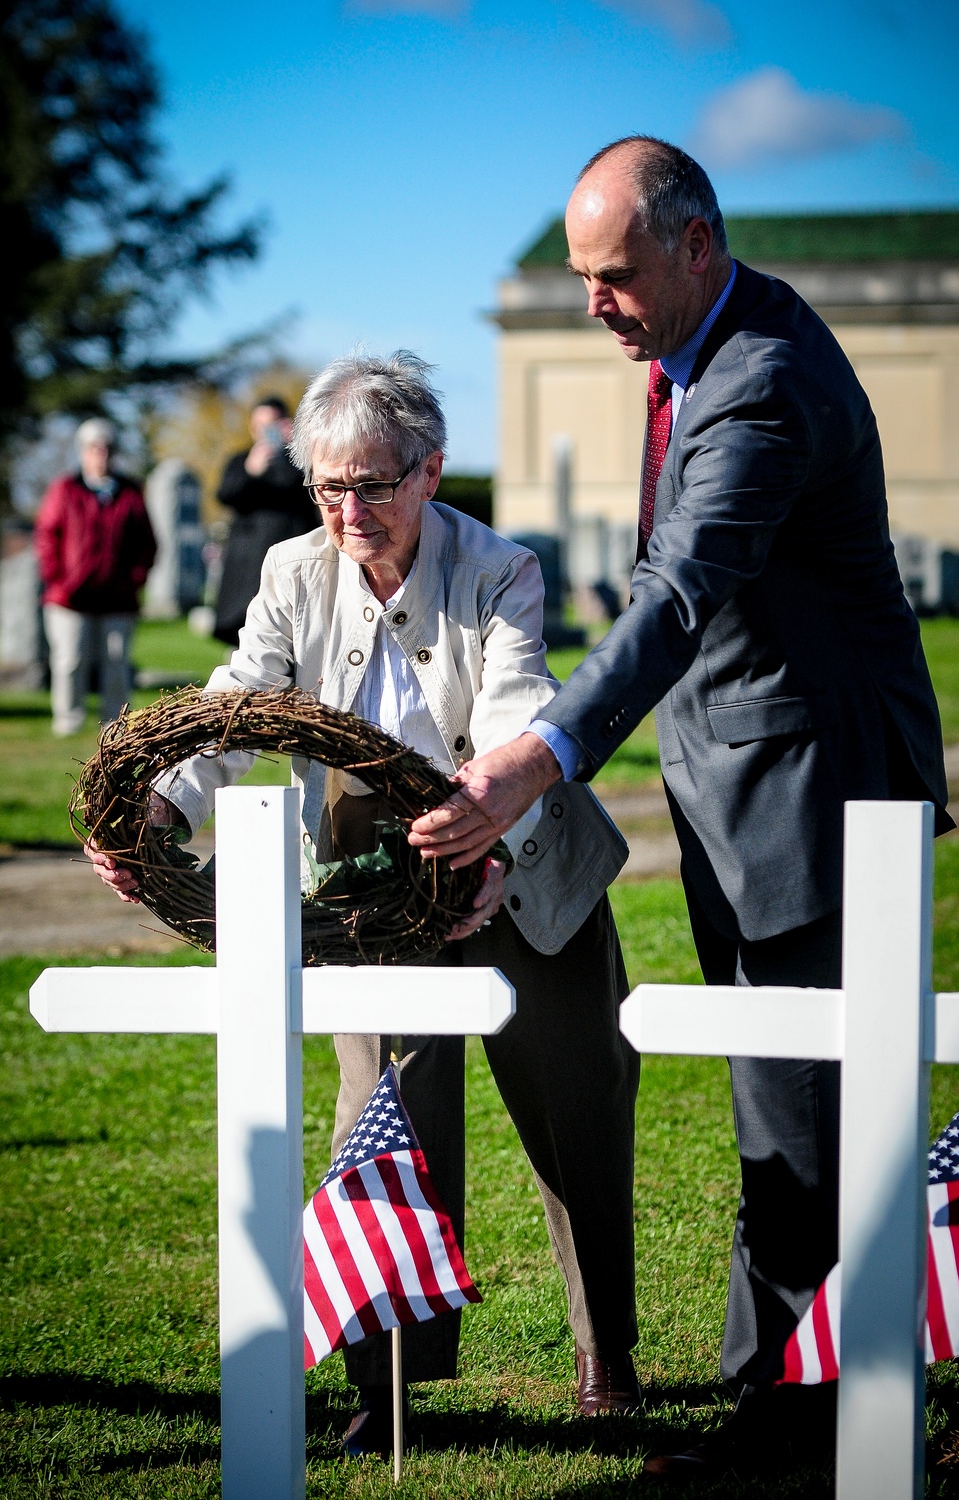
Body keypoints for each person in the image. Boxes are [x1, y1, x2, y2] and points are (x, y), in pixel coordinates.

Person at [408, 138, 952, 1478]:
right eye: (584, 275)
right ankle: (776, 1394)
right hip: (748, 781)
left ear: (697, 244)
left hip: (817, 792)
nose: (592, 300)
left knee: (809, 1110)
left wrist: (538, 755)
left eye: (615, 274)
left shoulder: (759, 379)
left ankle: (798, 1415)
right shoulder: (703, 348)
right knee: (785, 1105)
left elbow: (681, 593)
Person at [88, 351, 641, 1458]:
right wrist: (160, 809)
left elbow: (517, 703)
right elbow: (241, 701)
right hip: (366, 888)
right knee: (384, 1120)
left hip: (520, 859)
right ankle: (387, 1380)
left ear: (430, 472)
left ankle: (605, 1359)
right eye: (328, 486)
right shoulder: (294, 572)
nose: (350, 510)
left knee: (574, 1106)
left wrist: (493, 823)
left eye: (374, 484)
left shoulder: (500, 568)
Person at [35, 417, 157, 736]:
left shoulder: (129, 492)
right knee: (70, 661)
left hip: (117, 597)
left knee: (116, 663)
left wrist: (134, 578)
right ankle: (68, 719)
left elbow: (147, 542)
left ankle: (114, 724)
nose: (100, 454)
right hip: (69, 597)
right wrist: (58, 578)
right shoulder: (64, 489)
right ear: (82, 452)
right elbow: (47, 535)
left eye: (106, 448)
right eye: (93, 447)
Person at [212, 394, 321, 644]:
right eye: (261, 426)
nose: (266, 433)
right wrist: (250, 471)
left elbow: (312, 491)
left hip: (293, 560)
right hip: (248, 564)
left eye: (272, 425)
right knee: (245, 637)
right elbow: (225, 495)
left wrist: (297, 448)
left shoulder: (302, 461)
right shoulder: (241, 461)